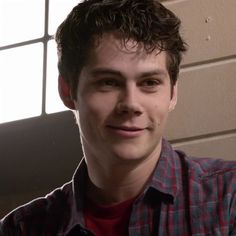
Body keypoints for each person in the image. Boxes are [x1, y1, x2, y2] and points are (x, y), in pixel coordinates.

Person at [1, 0, 236, 235]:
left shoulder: (230, 198)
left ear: (172, 93)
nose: (131, 104)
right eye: (108, 82)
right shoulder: (19, 229)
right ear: (67, 91)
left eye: (150, 83)